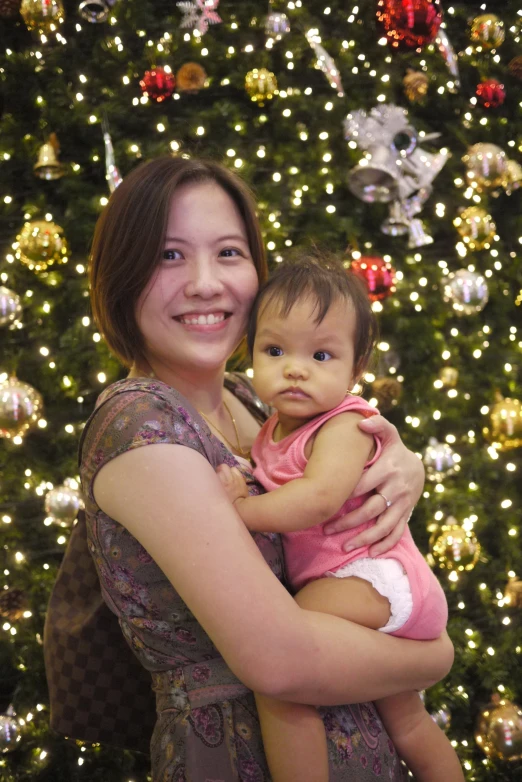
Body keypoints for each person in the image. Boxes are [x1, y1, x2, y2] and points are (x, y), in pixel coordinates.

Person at [78, 156, 454, 780]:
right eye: (169, 255)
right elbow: (279, 662)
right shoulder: (140, 425)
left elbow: (331, 475)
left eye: (229, 253)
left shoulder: (255, 401)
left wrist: (402, 464)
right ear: (123, 274)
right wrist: (433, 656)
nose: (205, 283)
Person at [216, 252, 463, 782]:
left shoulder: (345, 425)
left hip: (369, 575)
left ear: (357, 368)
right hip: (358, 582)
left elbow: (319, 499)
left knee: (280, 668)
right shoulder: (271, 427)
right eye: (275, 349)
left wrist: (240, 510)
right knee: (410, 722)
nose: (295, 368)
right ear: (250, 351)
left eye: (322, 355)